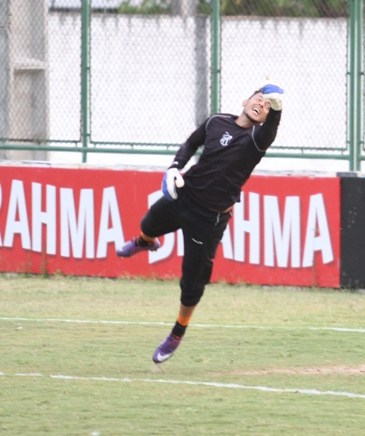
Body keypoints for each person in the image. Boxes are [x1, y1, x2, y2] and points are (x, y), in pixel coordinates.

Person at [117, 84, 284, 364]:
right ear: (245, 100)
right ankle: (146, 242)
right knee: (148, 222)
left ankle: (177, 333)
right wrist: (174, 167)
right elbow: (191, 143)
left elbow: (272, 127)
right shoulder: (217, 121)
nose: (261, 105)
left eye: (266, 106)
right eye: (259, 99)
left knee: (191, 284)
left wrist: (277, 108)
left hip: (209, 219)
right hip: (185, 197)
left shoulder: (257, 138)